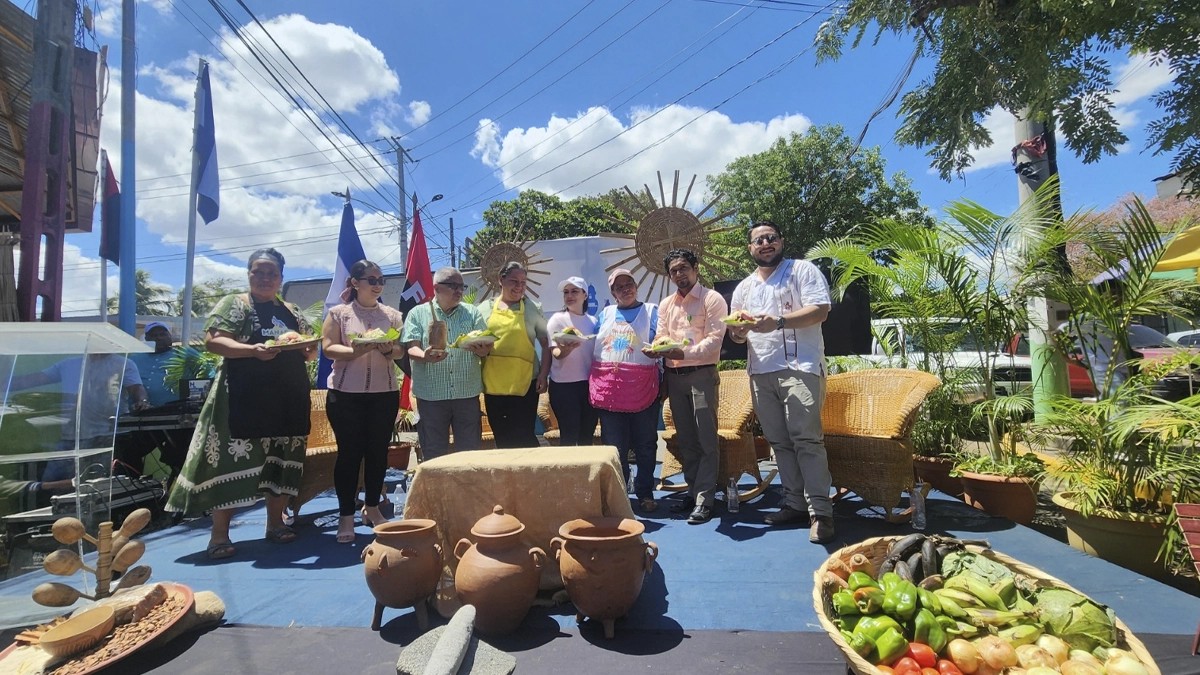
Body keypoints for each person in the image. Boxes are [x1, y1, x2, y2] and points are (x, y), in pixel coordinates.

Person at [165, 248, 317, 560]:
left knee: (280, 459)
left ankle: (275, 524)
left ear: (281, 278)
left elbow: (309, 348)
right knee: (229, 462)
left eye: (271, 273)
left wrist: (306, 349)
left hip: (287, 397)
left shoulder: (291, 309)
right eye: (258, 272)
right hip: (241, 396)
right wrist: (252, 351)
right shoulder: (234, 304)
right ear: (248, 274)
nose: (264, 278)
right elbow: (214, 341)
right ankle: (219, 535)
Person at [728, 221, 835, 544]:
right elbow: (735, 333)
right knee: (779, 442)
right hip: (760, 371)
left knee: (806, 439)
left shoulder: (802, 270)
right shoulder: (744, 287)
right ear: (750, 249)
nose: (765, 243)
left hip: (799, 366)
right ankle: (793, 503)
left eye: (771, 238)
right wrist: (739, 330)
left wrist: (777, 322)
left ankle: (822, 512)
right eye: (758, 240)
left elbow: (822, 310)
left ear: (781, 241)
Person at [321, 259, 405, 544]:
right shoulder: (339, 314)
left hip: (384, 393)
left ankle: (372, 508)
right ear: (355, 283)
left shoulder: (392, 315)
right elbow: (328, 348)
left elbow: (399, 352)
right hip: (345, 395)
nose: (378, 285)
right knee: (349, 454)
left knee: (378, 453)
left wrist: (387, 348)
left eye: (381, 280)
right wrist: (355, 351)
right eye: (372, 280)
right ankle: (346, 516)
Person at [645, 249, 727, 524]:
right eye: (673, 271)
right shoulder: (667, 304)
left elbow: (716, 339)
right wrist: (657, 350)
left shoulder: (711, 299)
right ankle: (693, 492)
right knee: (687, 440)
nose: (679, 274)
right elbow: (661, 337)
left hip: (701, 375)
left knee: (706, 438)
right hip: (675, 378)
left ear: (695, 268)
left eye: (683, 268)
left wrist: (684, 354)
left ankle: (706, 500)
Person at [9, 353, 151, 493]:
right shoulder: (68, 364)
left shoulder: (123, 363)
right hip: (72, 435)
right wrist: (5, 382)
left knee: (98, 486)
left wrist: (142, 401)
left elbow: (136, 388)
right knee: (51, 481)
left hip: (107, 436)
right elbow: (33, 379)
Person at [590, 269, 661, 513]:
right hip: (612, 392)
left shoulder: (652, 311)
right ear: (612, 293)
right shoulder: (605, 314)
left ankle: (645, 492)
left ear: (636, 285)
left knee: (646, 444)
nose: (625, 289)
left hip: (643, 389)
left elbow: (662, 341)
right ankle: (620, 496)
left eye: (629, 284)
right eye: (619, 287)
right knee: (614, 447)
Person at [402, 267, 492, 458]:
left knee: (470, 453)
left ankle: (468, 488)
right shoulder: (417, 313)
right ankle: (436, 489)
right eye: (453, 286)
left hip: (466, 393)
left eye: (462, 286)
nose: (459, 291)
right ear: (436, 288)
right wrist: (424, 356)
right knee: (434, 453)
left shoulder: (472, 312)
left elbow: (485, 343)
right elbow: (411, 348)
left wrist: (484, 350)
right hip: (431, 396)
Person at [477, 261, 551, 449]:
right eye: (514, 281)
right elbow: (475, 341)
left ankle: (531, 476)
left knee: (525, 436)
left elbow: (546, 343)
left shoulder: (533, 308)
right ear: (500, 280)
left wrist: (543, 374)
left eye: (523, 282)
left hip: (525, 383)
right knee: (502, 437)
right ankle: (508, 477)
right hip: (494, 384)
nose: (519, 287)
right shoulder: (484, 309)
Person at [115, 322, 193, 480]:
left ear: (170, 337)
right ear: (146, 338)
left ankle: (174, 488)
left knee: (179, 455)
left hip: (175, 419)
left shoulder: (186, 356)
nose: (158, 338)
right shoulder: (134, 358)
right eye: (153, 335)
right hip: (141, 418)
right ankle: (133, 488)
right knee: (127, 452)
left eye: (162, 334)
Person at [546, 276, 599, 446]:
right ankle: (567, 473)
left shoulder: (594, 322)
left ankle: (586, 473)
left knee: (586, 437)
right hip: (563, 387)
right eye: (566, 292)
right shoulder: (557, 320)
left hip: (589, 386)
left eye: (574, 291)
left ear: (585, 295)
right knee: (568, 436)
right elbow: (554, 351)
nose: (570, 295)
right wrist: (565, 350)